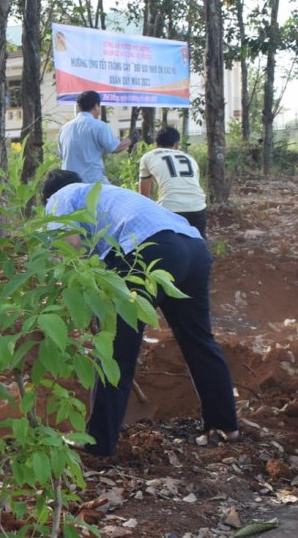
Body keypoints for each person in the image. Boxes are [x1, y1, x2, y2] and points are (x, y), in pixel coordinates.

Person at [41, 170, 240, 456]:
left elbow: (70, 247)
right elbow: (100, 261)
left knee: (115, 352)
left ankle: (98, 441)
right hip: (193, 248)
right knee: (198, 339)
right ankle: (225, 424)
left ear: (48, 197)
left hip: (150, 251)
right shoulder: (108, 195)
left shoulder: (60, 197)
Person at [137, 125, 208, 237]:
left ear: (156, 144)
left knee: (171, 247)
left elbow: (144, 196)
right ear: (177, 144)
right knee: (199, 243)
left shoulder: (148, 157)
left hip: (170, 208)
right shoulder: (189, 158)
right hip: (197, 206)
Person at [57, 90, 132, 185]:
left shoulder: (64, 128)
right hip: (92, 182)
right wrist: (131, 139)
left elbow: (61, 155)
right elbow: (116, 148)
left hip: (69, 184)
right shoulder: (99, 126)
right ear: (96, 106)